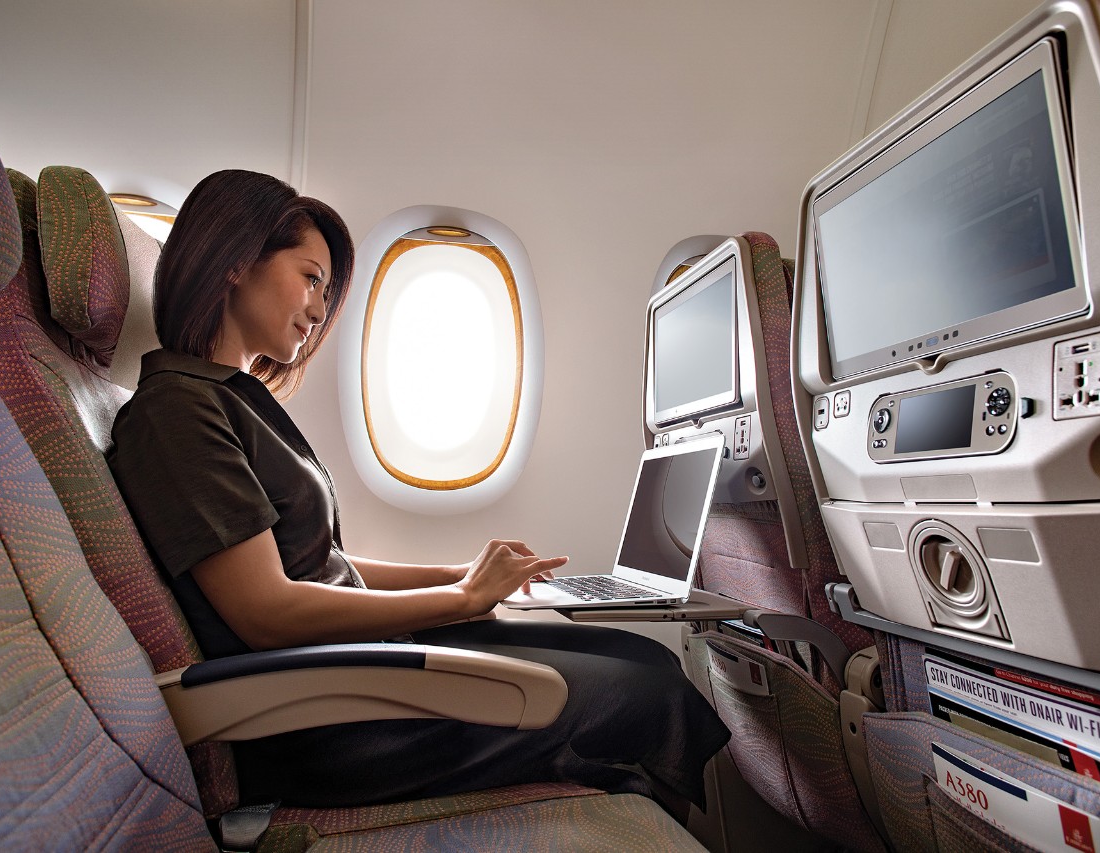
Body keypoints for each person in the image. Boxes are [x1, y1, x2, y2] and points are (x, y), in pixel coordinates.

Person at [107, 169, 730, 812]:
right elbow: (266, 612)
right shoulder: (174, 412)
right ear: (236, 261)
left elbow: (324, 567)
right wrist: (457, 599)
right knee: (643, 695)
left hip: (358, 669)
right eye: (311, 277)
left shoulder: (229, 398)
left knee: (643, 658)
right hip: (331, 714)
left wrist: (460, 576)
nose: (320, 309)